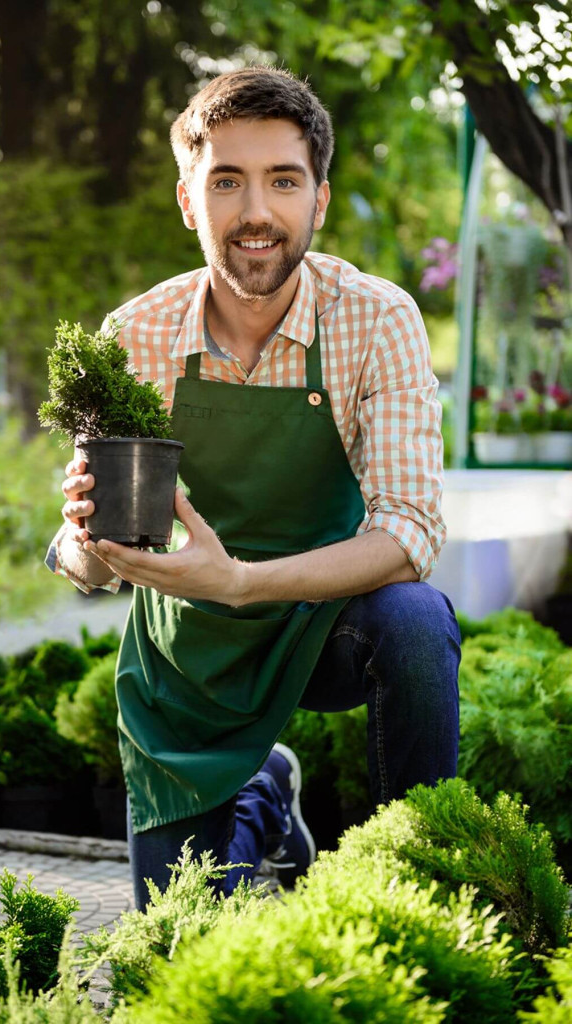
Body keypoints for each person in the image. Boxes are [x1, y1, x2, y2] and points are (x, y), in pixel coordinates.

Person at [46, 66, 461, 911]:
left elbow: (410, 531)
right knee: (182, 939)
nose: (256, 212)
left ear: (320, 199)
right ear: (188, 201)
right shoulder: (136, 333)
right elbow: (88, 557)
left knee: (415, 622)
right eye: (226, 181)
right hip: (193, 648)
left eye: (283, 180)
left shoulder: (375, 319)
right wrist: (85, 546)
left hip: (327, 618)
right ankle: (263, 794)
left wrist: (241, 581)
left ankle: (418, 877)